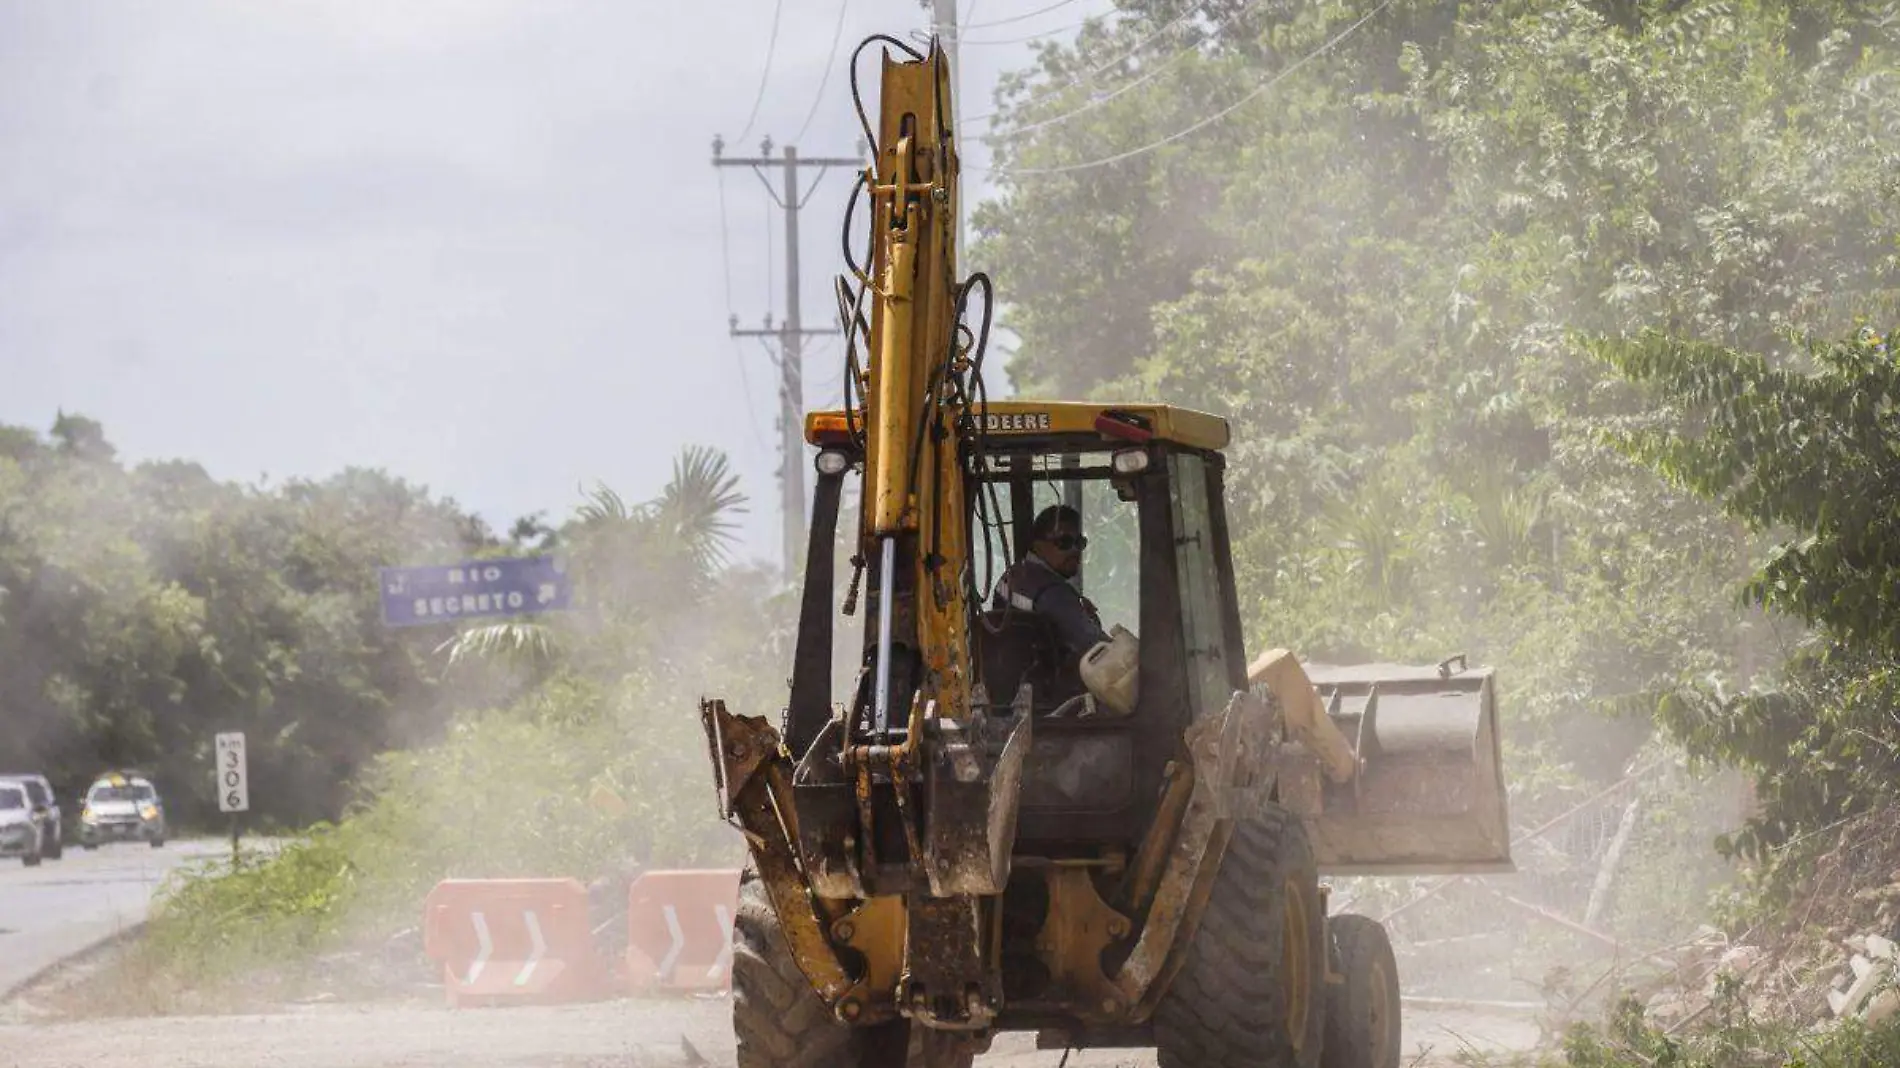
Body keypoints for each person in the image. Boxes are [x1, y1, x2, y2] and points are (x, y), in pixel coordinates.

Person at [992, 504, 1111, 670]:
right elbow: (1098, 649)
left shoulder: (1012, 576)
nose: (1075, 550)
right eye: (1064, 542)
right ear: (1038, 544)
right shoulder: (1051, 593)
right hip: (1053, 689)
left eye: (1079, 542)